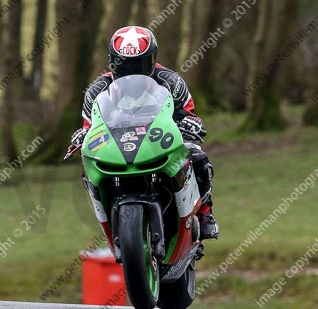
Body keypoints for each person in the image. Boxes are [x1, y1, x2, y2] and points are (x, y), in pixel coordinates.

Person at [68, 25, 218, 241]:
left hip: (158, 139)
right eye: (126, 64)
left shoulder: (171, 81)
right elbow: (90, 126)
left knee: (196, 155)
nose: (132, 70)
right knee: (89, 169)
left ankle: (205, 215)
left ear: (152, 59)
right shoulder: (97, 89)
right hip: (117, 145)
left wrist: (191, 124)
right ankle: (111, 222)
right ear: (113, 61)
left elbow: (188, 114)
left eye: (138, 64)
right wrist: (82, 136)